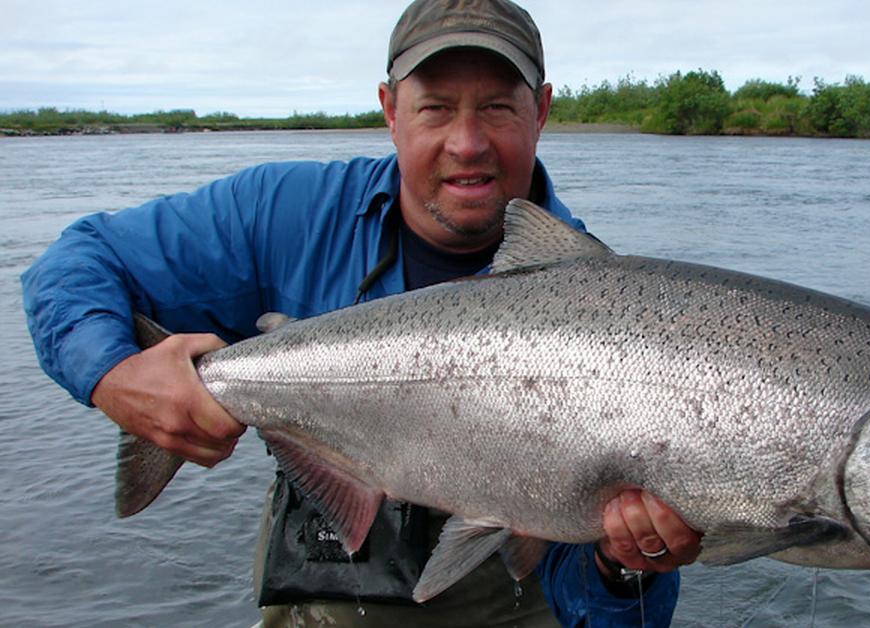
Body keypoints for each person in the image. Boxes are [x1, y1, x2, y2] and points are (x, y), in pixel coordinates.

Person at [21, 0, 702, 625]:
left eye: (496, 108)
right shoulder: (282, 213)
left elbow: (596, 614)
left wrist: (620, 568)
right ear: (389, 108)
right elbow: (78, 261)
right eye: (436, 108)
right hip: (323, 602)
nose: (468, 143)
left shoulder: (607, 314)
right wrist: (110, 373)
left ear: (542, 110)